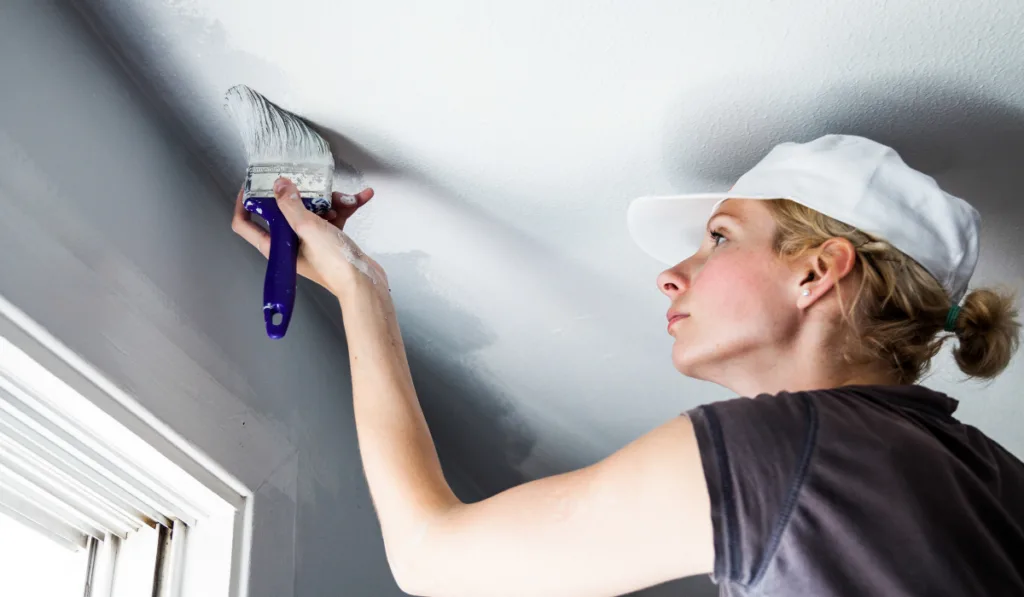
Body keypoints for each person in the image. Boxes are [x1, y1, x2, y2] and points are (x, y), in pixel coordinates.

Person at [231, 133, 1024, 597]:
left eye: (718, 237)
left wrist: (360, 287)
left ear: (818, 271)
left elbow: (433, 558)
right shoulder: (997, 478)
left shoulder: (785, 451)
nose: (671, 274)